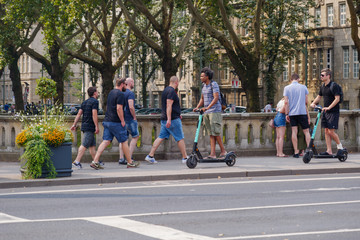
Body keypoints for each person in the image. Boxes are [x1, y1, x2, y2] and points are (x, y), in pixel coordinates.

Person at [91, 78, 139, 169]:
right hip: (116, 122)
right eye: (125, 85)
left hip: (107, 120)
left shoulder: (111, 93)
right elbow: (119, 108)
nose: (126, 86)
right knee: (124, 141)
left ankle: (95, 161)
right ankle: (130, 162)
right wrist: (122, 120)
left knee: (106, 141)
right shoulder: (120, 94)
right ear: (122, 84)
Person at [145, 76, 188, 164]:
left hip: (166, 118)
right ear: (176, 82)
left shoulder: (165, 90)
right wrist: (169, 119)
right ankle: (185, 157)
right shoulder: (172, 91)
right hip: (172, 120)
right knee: (180, 138)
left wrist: (176, 114)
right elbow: (169, 105)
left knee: (161, 137)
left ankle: (150, 155)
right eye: (178, 83)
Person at [310, 68, 346, 156]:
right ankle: (329, 150)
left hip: (333, 112)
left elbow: (337, 99)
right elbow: (319, 97)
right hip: (326, 112)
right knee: (326, 131)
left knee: (330, 131)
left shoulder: (334, 86)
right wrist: (313, 103)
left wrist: (329, 107)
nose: (321, 77)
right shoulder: (323, 86)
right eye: (321, 75)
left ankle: (340, 147)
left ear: (328, 76)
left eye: (323, 75)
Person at [193, 67, 227, 159]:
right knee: (211, 133)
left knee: (216, 132)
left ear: (207, 77)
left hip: (215, 111)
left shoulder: (214, 84)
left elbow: (216, 98)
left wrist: (207, 107)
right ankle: (213, 154)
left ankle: (223, 151)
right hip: (207, 112)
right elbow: (202, 99)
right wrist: (197, 107)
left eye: (202, 76)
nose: (200, 77)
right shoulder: (204, 86)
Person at [70, 87, 99, 169]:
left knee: (92, 146)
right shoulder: (95, 102)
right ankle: (77, 161)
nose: (98, 93)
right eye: (97, 91)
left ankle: (95, 162)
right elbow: (94, 114)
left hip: (84, 125)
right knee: (84, 144)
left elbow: (79, 114)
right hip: (90, 126)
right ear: (94, 93)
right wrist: (97, 126)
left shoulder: (85, 102)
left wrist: (74, 124)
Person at [284, 73, 311, 158]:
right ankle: (309, 150)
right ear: (298, 79)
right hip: (302, 112)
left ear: (291, 79)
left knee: (294, 131)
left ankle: (296, 152)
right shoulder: (303, 87)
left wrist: (286, 114)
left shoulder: (287, 88)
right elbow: (306, 101)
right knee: (306, 132)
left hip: (292, 113)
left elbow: (286, 102)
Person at [119, 78, 139, 165]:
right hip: (129, 119)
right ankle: (129, 157)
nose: (134, 83)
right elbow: (131, 106)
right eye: (133, 82)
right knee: (135, 136)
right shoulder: (130, 93)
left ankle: (121, 158)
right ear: (130, 83)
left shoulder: (122, 93)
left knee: (123, 139)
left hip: (122, 118)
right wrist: (134, 116)